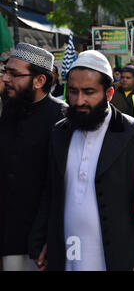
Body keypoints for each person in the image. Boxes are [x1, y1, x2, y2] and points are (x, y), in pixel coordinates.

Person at [28, 50, 134, 271]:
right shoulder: (59, 132)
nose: (78, 100)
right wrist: (43, 241)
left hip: (117, 255)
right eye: (73, 92)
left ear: (109, 93)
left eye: (89, 92)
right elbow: (50, 192)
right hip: (68, 252)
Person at [0, 43, 66, 271]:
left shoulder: (62, 117)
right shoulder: (8, 110)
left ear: (39, 81)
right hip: (8, 236)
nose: (6, 79)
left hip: (41, 244)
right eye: (5, 71)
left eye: (14, 74)